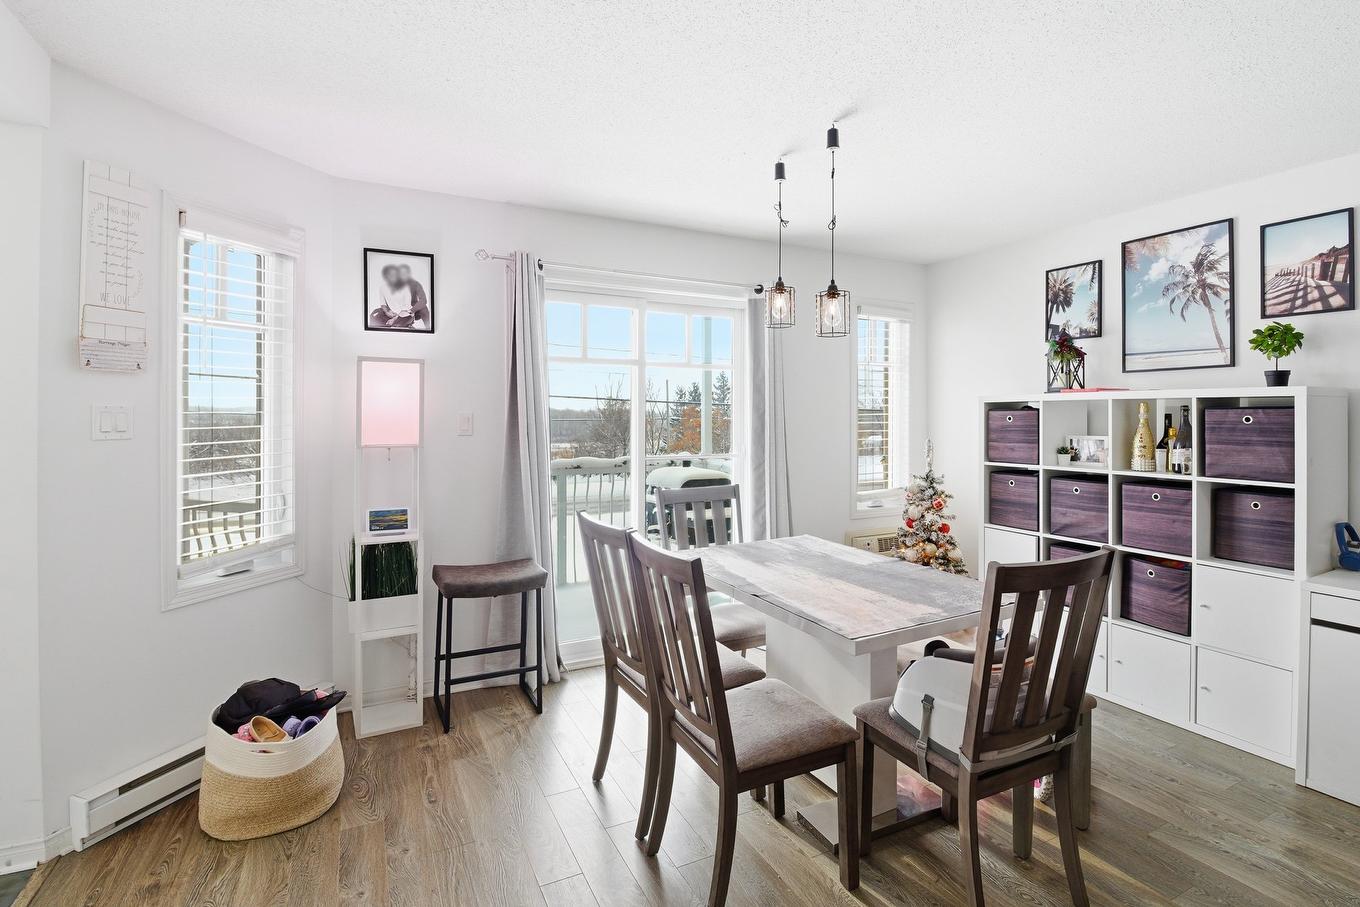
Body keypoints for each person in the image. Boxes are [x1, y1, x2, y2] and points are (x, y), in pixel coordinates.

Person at [398, 263, 430, 330]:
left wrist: (411, 311)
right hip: (398, 309)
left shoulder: (415, 284)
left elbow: (423, 300)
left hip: (413, 309)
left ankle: (428, 329)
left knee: (424, 308)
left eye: (405, 273)